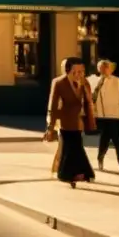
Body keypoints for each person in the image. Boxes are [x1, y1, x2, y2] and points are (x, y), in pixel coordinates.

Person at [45, 56, 97, 188]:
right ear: (68, 70)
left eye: (82, 71)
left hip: (78, 122)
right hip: (64, 122)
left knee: (76, 147)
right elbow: (53, 105)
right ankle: (68, 175)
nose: (80, 74)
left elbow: (88, 102)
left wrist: (90, 121)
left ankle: (75, 174)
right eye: (77, 71)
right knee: (69, 148)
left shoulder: (84, 83)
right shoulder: (59, 82)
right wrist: (50, 127)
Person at [88, 59, 119, 175]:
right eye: (102, 67)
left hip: (115, 116)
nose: (104, 69)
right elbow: (91, 98)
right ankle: (117, 164)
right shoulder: (94, 81)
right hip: (102, 117)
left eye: (106, 67)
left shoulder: (117, 81)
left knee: (113, 140)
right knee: (107, 139)